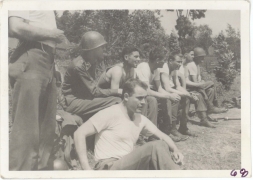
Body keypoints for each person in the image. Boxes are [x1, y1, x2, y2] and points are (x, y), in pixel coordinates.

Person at [74, 79, 184, 170]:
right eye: (139, 98)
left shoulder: (140, 119)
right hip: (109, 167)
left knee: (163, 145)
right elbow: (79, 133)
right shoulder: (110, 113)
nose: (144, 102)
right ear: (126, 97)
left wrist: (175, 149)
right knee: (156, 146)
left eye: (145, 98)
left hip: (128, 166)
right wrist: (86, 169)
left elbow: (162, 136)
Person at [8, 11, 66, 170]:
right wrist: (52, 34)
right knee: (26, 132)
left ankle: (41, 172)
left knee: (46, 132)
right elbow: (14, 27)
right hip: (32, 55)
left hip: (48, 60)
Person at [61, 31, 122, 122]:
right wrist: (117, 91)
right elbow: (94, 91)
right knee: (116, 100)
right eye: (101, 47)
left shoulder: (90, 61)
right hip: (73, 102)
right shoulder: (79, 65)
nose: (104, 50)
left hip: (84, 99)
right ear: (93, 49)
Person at [136, 48, 188, 142]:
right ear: (157, 60)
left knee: (166, 99)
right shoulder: (144, 67)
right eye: (163, 60)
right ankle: (149, 134)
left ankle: (166, 131)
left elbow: (159, 88)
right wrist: (168, 95)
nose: (164, 63)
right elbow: (146, 91)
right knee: (153, 100)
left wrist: (171, 95)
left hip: (145, 93)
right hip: (137, 94)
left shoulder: (156, 70)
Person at [98, 46, 158, 126]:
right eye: (136, 57)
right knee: (136, 100)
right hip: (104, 96)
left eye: (139, 57)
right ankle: (135, 130)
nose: (139, 59)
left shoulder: (132, 70)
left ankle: (148, 131)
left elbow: (133, 87)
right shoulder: (117, 70)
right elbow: (114, 92)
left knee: (150, 99)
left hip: (121, 94)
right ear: (126, 57)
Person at [159, 53, 199, 136]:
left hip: (172, 90)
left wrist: (188, 94)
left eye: (181, 62)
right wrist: (185, 94)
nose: (180, 64)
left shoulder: (175, 69)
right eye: (178, 62)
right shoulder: (164, 68)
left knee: (187, 98)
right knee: (176, 98)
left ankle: (183, 127)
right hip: (164, 92)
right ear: (170, 61)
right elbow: (167, 88)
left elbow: (178, 86)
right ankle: (172, 128)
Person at [186, 47, 227, 114]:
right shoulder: (192, 65)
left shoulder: (197, 65)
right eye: (201, 57)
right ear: (196, 57)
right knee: (211, 83)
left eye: (203, 57)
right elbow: (195, 82)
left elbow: (198, 78)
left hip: (196, 86)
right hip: (190, 87)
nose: (203, 59)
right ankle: (213, 106)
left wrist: (201, 81)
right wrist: (201, 83)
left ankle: (208, 109)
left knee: (211, 90)